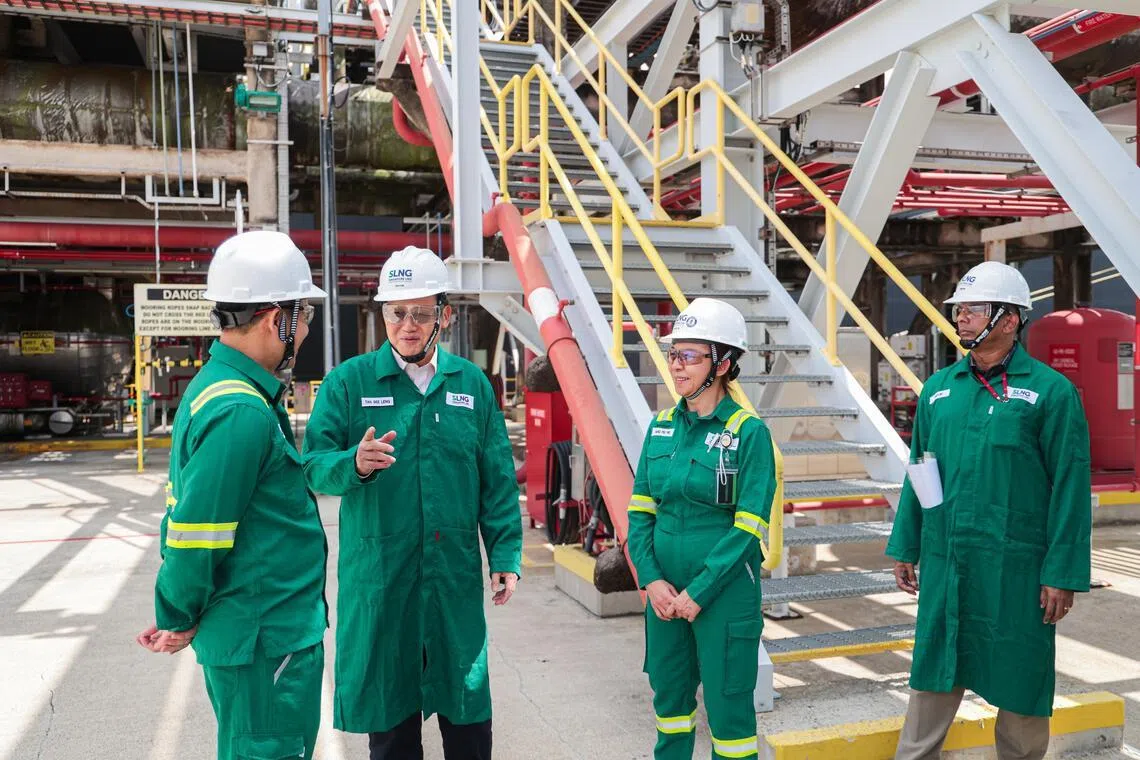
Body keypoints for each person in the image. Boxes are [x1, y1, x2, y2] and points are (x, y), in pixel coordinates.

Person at [301, 245, 522, 760]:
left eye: (421, 312)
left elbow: (495, 480)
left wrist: (506, 556)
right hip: (384, 580)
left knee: (467, 714)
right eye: (397, 312)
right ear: (383, 314)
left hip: (453, 579)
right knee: (392, 728)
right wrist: (352, 464)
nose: (407, 325)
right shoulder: (349, 383)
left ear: (443, 314)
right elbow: (312, 464)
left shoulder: (470, 385)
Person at [136, 230, 330, 760]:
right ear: (275, 320)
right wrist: (176, 613)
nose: (306, 330)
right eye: (304, 317)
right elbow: (198, 533)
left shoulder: (217, 386)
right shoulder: (241, 411)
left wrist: (180, 607)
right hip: (266, 638)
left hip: (255, 631)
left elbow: (194, 516)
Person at [887, 260, 1092, 760]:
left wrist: (1062, 573)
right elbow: (922, 471)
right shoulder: (939, 390)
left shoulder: (1051, 393)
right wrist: (908, 545)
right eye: (958, 310)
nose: (960, 319)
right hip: (948, 562)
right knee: (934, 670)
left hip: (1016, 570)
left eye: (973, 310)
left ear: (1009, 319)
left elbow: (1070, 486)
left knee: (1020, 679)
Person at [626, 297, 777, 760]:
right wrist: (651, 581)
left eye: (689, 355)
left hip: (724, 595)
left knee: (729, 716)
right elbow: (640, 514)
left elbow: (748, 528)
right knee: (669, 703)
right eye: (674, 354)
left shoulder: (748, 432)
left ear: (724, 363)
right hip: (665, 595)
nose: (677, 365)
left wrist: (700, 592)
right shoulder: (662, 426)